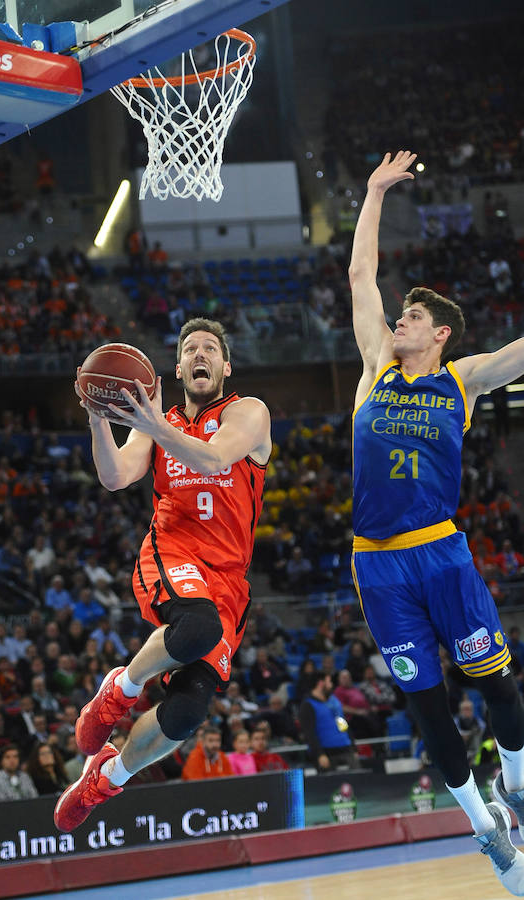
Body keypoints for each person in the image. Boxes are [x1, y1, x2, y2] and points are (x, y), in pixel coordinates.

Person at [348, 149, 524, 896]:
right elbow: (360, 278)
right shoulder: (370, 369)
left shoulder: (462, 377)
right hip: (376, 566)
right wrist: (373, 192)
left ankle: (516, 788)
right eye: (400, 314)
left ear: (441, 334)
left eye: (412, 316)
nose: (398, 320)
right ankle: (483, 826)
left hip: (441, 554)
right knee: (428, 712)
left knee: (499, 691)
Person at [54, 318, 271, 832]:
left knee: (186, 714)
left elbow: (216, 457)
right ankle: (119, 690)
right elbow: (114, 477)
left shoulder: (248, 412)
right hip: (173, 552)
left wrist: (151, 424)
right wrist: (98, 417)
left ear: (225, 365)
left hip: (229, 579)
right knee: (197, 626)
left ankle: (107, 776)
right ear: (176, 368)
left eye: (210, 348)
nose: (201, 354)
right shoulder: (158, 422)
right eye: (190, 348)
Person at [299, 672, 356, 771]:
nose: (332, 685)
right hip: (326, 753)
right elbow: (309, 733)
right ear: (321, 683)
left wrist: (353, 747)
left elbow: (344, 724)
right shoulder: (308, 705)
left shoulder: (335, 701)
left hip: (346, 749)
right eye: (329, 682)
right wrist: (319, 754)